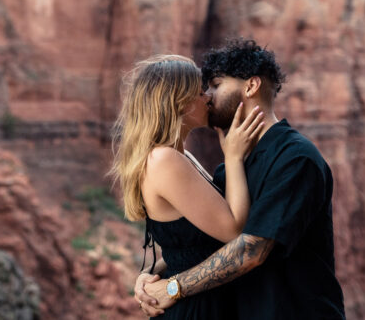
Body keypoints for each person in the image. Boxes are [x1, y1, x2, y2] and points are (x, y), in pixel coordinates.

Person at [136, 39, 346, 319]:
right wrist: (151, 274)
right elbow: (205, 244)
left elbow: (250, 250)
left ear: (251, 86)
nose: (207, 96)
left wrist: (173, 287)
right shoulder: (233, 166)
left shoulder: (295, 159)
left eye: (216, 85)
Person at [109, 54, 266, 319]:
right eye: (199, 91)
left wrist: (151, 273)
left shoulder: (179, 155)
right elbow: (233, 230)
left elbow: (188, 247)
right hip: (196, 309)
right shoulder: (164, 159)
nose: (208, 97)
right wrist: (233, 157)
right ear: (179, 101)